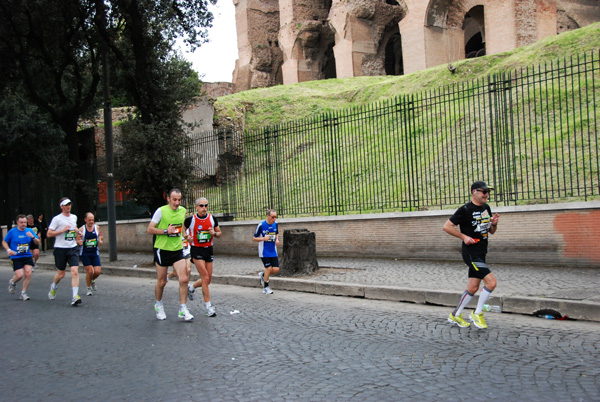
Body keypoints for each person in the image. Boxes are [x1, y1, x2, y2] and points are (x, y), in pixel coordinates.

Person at [443, 181, 500, 329]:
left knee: (473, 287)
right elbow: (447, 226)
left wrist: (493, 223)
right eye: (484, 192)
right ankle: (477, 313)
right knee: (491, 282)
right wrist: (463, 237)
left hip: (481, 252)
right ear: (474, 192)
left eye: (488, 192)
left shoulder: (486, 208)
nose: (487, 195)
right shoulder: (465, 210)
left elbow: (491, 232)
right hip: (471, 254)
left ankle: (455, 315)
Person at [147, 188, 193, 321]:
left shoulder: (183, 211)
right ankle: (159, 304)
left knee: (184, 279)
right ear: (168, 199)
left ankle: (183, 309)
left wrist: (186, 236)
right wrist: (166, 231)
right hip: (162, 250)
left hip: (177, 249)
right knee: (162, 281)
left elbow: (182, 229)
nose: (177, 203)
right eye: (174, 200)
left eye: (179, 200)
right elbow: (150, 229)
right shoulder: (161, 211)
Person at [184, 197, 221, 317]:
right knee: (204, 276)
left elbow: (219, 233)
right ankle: (209, 307)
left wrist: (214, 233)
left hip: (208, 250)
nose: (204, 208)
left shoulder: (212, 218)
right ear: (196, 207)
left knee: (208, 280)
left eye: (206, 205)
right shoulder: (190, 220)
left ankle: (192, 287)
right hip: (196, 250)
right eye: (201, 206)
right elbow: (182, 230)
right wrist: (187, 237)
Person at [47, 198, 82, 306]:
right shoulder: (57, 219)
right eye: (66, 205)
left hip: (72, 248)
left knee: (75, 271)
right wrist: (63, 230)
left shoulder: (74, 217)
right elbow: (49, 234)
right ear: (61, 207)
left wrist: (77, 231)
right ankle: (54, 286)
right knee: (61, 274)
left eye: (70, 204)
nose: (68, 206)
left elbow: (73, 226)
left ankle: (75, 296)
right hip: (60, 249)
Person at [3, 214, 40, 300]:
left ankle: (23, 293)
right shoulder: (12, 232)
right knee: (19, 275)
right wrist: (9, 250)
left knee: (28, 273)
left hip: (27, 255)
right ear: (17, 223)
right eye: (21, 222)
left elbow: (38, 242)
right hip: (16, 257)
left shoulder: (29, 230)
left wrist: (33, 237)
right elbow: (4, 242)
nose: (23, 224)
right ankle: (13, 282)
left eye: (25, 222)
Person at [253, 209, 280, 294]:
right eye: (272, 217)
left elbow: (276, 233)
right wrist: (263, 239)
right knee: (268, 268)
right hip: (264, 251)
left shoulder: (276, 224)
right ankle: (266, 287)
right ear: (267, 216)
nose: (274, 219)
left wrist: (277, 239)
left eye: (275, 217)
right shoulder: (261, 225)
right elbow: (254, 238)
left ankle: (263, 275)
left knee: (276, 269)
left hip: (273, 250)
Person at [76, 212, 103, 296]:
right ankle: (89, 288)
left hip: (95, 252)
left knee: (97, 271)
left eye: (92, 220)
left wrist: (100, 240)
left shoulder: (96, 227)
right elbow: (77, 239)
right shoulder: (81, 229)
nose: (91, 222)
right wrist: (79, 242)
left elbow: (100, 235)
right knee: (90, 271)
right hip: (85, 253)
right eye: (89, 220)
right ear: (85, 220)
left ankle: (91, 280)